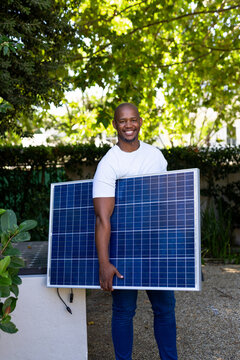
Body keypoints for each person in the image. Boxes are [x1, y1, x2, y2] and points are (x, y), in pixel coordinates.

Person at [92, 103, 178, 360]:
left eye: (132, 120)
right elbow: (102, 219)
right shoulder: (109, 163)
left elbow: (166, 207)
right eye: (122, 121)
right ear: (115, 125)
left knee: (165, 309)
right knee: (123, 311)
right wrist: (104, 263)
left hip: (155, 249)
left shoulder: (156, 156)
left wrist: (179, 252)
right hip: (125, 251)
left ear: (140, 122)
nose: (128, 125)